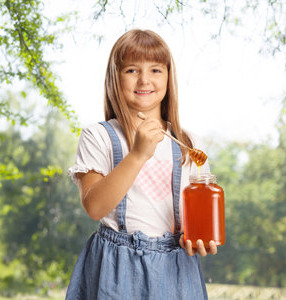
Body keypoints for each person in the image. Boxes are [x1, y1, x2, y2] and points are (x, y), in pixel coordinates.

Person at [65, 29, 217, 300]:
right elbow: (94, 207)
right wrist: (137, 155)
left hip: (176, 269)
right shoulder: (98, 136)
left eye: (156, 70)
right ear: (115, 77)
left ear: (169, 77)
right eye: (132, 70)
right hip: (116, 268)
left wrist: (195, 238)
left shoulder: (189, 143)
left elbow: (196, 212)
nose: (145, 79)